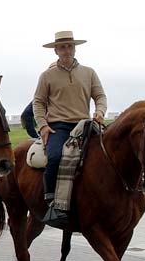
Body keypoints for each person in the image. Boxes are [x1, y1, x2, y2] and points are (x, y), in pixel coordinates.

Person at [33, 31, 107, 226]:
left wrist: (100, 111)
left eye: (70, 46)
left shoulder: (89, 72)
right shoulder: (47, 76)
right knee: (55, 156)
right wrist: (43, 126)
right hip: (59, 127)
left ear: (75, 49)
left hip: (85, 124)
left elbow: (100, 96)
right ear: (56, 50)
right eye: (62, 47)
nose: (67, 50)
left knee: (107, 154)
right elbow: (38, 103)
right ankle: (51, 201)